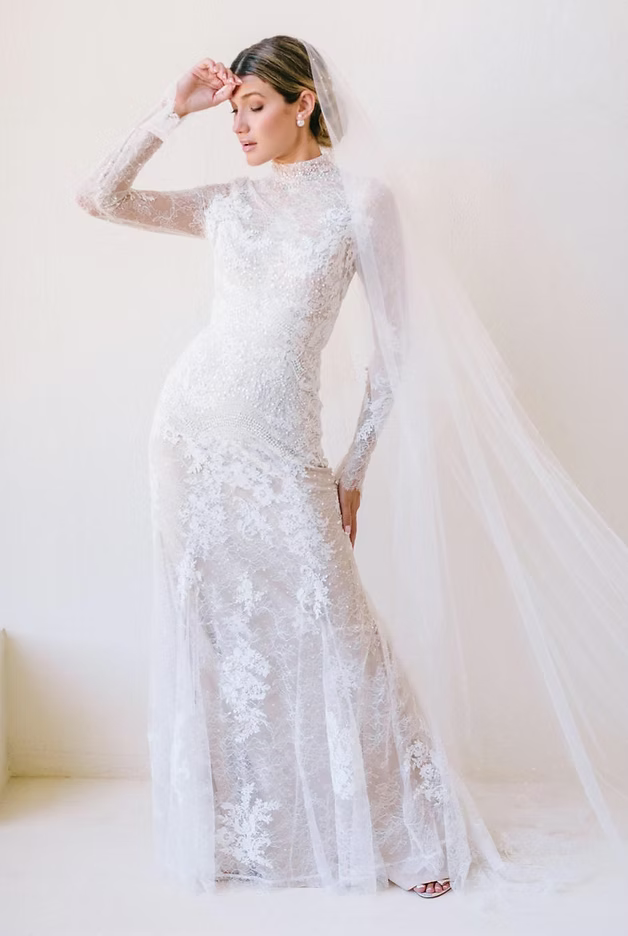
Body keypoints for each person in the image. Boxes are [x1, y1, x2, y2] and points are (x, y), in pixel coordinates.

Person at [76, 35, 628, 904]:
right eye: (231, 112)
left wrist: (354, 468)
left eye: (253, 106)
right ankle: (249, 835)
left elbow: (397, 350)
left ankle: (408, 835)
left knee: (339, 633)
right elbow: (99, 198)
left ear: (303, 103)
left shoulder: (364, 204)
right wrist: (170, 111)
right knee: (217, 634)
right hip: (189, 438)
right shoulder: (230, 203)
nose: (239, 126)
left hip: (284, 447)